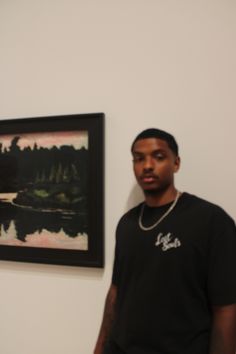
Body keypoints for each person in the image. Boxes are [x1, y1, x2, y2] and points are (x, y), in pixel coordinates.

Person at [94, 128, 236, 354]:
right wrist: (99, 348)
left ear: (176, 163)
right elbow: (116, 292)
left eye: (158, 157)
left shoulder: (211, 220)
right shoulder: (127, 224)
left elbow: (226, 308)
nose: (147, 165)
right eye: (139, 159)